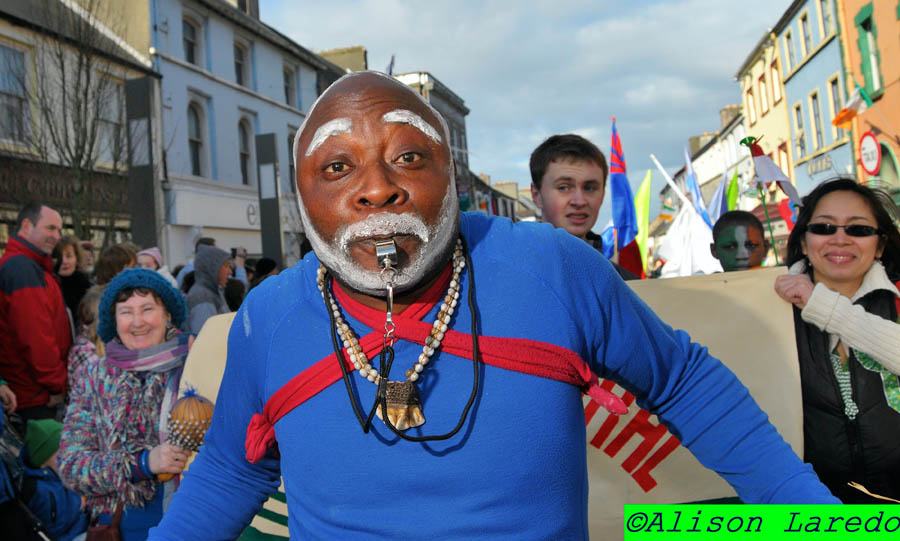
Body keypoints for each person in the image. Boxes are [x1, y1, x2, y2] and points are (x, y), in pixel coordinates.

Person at [149, 72, 837, 540]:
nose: (377, 189)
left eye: (409, 157)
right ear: (302, 198)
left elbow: (687, 384)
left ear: (451, 175)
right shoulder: (269, 318)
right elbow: (234, 468)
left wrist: (814, 515)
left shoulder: (551, 268)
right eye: (338, 167)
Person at [774, 177, 900, 503]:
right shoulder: (768, 309)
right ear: (803, 241)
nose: (840, 239)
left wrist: (821, 305)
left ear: (880, 245)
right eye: (824, 228)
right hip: (808, 512)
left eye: (857, 230)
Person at [59, 268, 191, 540]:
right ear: (114, 319)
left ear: (167, 315)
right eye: (126, 311)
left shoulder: (194, 368)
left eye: (147, 308)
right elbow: (71, 466)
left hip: (192, 520)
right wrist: (141, 463)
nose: (137, 321)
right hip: (123, 527)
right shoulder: (95, 378)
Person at [529, 134, 638, 280]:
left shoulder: (625, 285)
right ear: (536, 195)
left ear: (603, 194)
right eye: (563, 187)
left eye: (590, 188)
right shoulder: (510, 277)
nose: (579, 201)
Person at [0, 202, 70, 428]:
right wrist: (58, 385)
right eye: (50, 228)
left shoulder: (31, 267)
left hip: (34, 393)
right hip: (35, 397)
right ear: (27, 226)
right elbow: (35, 337)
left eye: (59, 230)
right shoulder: (22, 270)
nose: (56, 236)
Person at [20, 419, 89, 541]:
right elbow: (55, 533)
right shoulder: (39, 492)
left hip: (81, 525)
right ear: (43, 462)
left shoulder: (61, 475)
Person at [185, 244, 232, 334]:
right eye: (226, 266)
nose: (230, 272)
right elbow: (206, 336)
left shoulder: (214, 290)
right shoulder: (202, 297)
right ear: (213, 269)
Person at [53, 235, 93, 325]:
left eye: (69, 256)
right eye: (59, 256)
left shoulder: (87, 288)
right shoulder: (45, 285)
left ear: (77, 258)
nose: (64, 261)